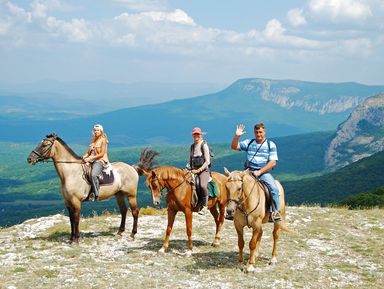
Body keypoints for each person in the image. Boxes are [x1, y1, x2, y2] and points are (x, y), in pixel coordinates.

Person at [231, 123, 281, 222]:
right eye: (256, 132)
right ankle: (231, 210)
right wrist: (237, 136)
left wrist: (260, 171)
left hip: (263, 172)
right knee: (233, 184)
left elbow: (272, 162)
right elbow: (234, 146)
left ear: (264, 132)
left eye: (260, 132)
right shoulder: (249, 142)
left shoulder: (270, 145)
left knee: (274, 189)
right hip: (248, 171)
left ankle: (274, 212)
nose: (258, 134)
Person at [83, 124, 110, 201]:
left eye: (97, 130)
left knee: (93, 175)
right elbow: (88, 152)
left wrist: (90, 158)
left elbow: (101, 154)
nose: (96, 131)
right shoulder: (92, 140)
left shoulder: (103, 140)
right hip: (91, 159)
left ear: (101, 131)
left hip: (100, 160)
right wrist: (83, 157)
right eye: (95, 130)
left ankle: (96, 194)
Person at [188, 127, 211, 215]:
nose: (196, 136)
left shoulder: (204, 145)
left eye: (198, 134)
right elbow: (190, 159)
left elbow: (207, 161)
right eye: (195, 134)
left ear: (201, 135)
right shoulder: (192, 146)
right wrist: (187, 168)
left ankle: (205, 206)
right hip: (193, 169)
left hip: (203, 170)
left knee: (202, 186)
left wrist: (199, 170)